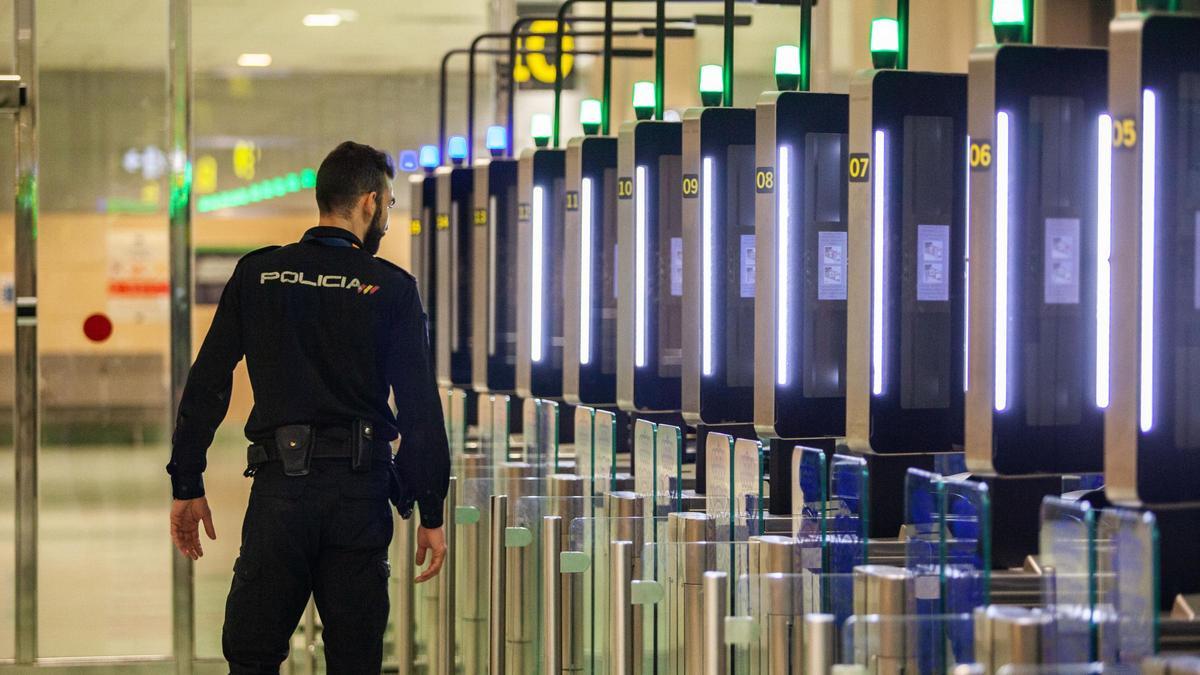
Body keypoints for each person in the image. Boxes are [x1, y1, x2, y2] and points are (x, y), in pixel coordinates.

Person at [166, 140, 450, 673]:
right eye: (388, 205)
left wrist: (188, 481)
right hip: (359, 496)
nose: (386, 217)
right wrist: (430, 509)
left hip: (280, 495)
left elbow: (207, 383)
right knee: (355, 658)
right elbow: (419, 410)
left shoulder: (259, 275)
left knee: (252, 654)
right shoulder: (390, 288)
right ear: (369, 202)